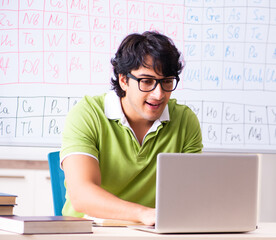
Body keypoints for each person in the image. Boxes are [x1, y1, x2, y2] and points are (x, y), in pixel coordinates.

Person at [60, 31, 203, 226]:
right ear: (123, 80)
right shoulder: (87, 114)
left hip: (153, 233)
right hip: (89, 231)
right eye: (147, 81)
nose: (158, 94)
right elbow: (81, 195)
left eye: (167, 81)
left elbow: (191, 193)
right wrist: (144, 214)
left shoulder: (185, 120)